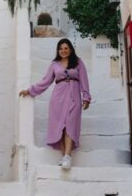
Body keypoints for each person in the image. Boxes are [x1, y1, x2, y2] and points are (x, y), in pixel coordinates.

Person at [19, 38, 91, 170]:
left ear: (70, 49)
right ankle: (65, 156)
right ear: (58, 50)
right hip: (58, 97)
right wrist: (30, 90)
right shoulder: (54, 64)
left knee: (70, 123)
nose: (63, 51)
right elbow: (45, 81)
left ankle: (68, 156)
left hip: (74, 96)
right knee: (60, 127)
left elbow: (84, 81)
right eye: (61, 48)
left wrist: (86, 97)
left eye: (66, 48)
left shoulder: (78, 63)